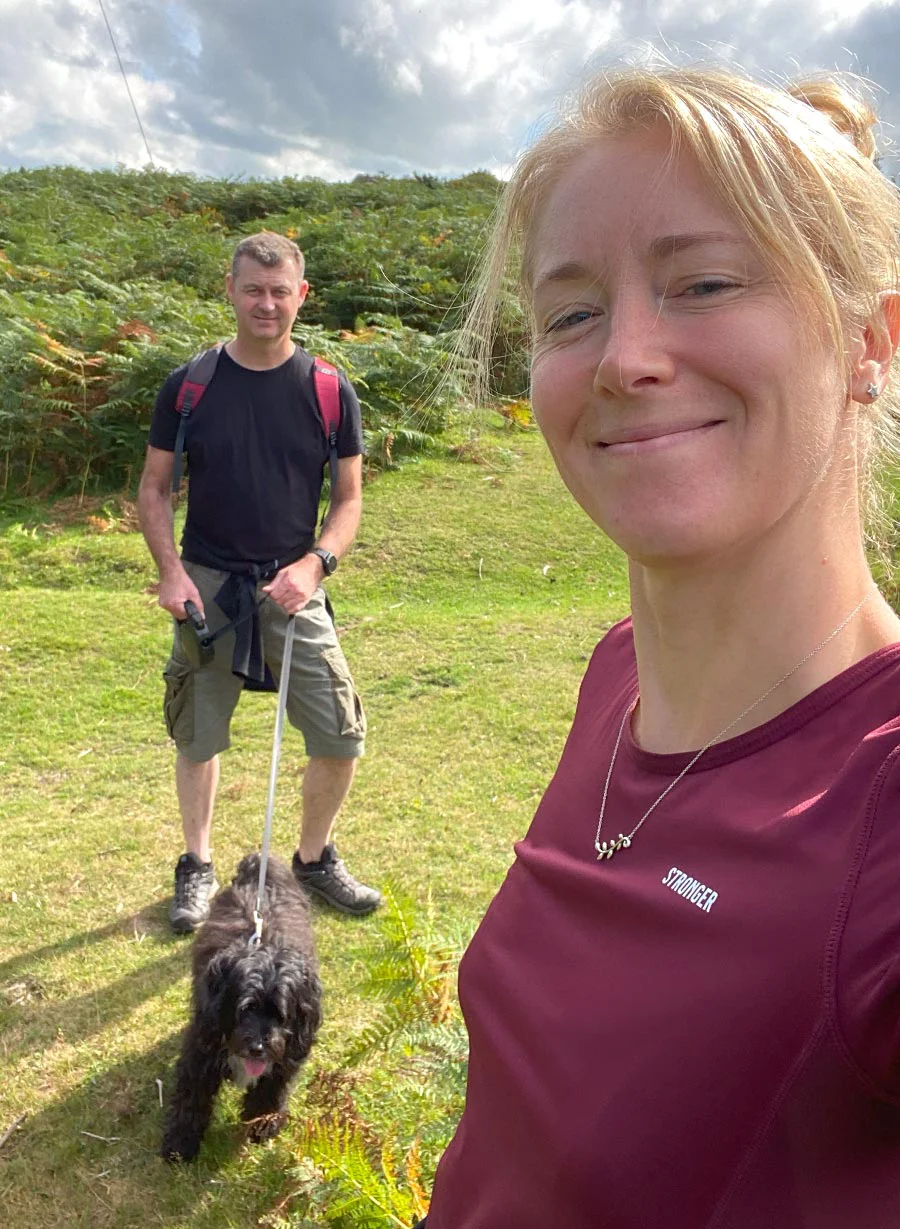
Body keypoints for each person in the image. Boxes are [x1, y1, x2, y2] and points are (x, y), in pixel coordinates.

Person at [423, 65, 900, 1227]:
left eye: (705, 282)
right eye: (571, 312)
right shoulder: (617, 677)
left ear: (870, 342)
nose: (624, 357)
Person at [138, 231, 381, 934]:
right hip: (207, 584)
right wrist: (170, 571)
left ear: (301, 295)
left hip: (295, 583)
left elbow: (350, 501)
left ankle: (312, 858)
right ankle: (197, 865)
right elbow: (154, 490)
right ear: (231, 290)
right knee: (198, 735)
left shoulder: (330, 390)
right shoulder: (190, 385)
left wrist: (316, 565)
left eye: (280, 292)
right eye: (254, 289)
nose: (266, 304)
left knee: (339, 732)